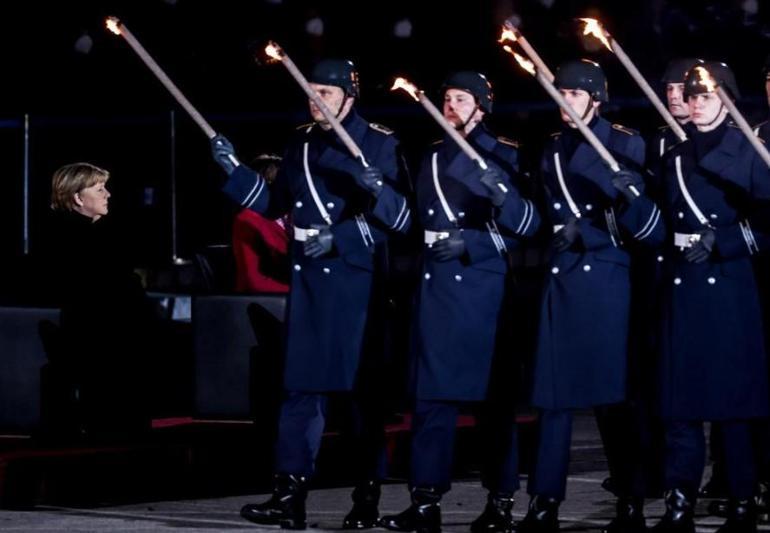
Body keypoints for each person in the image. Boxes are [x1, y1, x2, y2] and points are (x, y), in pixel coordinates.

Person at [210, 58, 411, 530]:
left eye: (327, 92)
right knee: (299, 390)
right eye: (311, 92)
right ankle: (289, 494)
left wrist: (339, 237)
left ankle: (366, 497)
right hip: (308, 282)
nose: (317, 101)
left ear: (349, 95)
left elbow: (398, 221)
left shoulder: (379, 142)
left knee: (360, 397)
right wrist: (236, 171)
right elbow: (274, 204)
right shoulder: (299, 139)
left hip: (356, 284)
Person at [378, 71, 540, 533]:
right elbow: (410, 220)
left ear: (482, 106)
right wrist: (379, 195)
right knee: (431, 402)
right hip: (436, 291)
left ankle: (501, 501)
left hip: (483, 293)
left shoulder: (504, 153)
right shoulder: (429, 155)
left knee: (494, 403)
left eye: (461, 99)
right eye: (446, 98)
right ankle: (425, 501)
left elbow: (526, 227)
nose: (450, 106)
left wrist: (472, 241)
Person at [517, 59, 665, 533]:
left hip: (606, 277)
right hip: (562, 279)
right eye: (560, 93)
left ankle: (630, 500)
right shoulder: (552, 148)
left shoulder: (624, 142)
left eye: (575, 95)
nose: (566, 102)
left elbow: (643, 227)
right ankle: (544, 500)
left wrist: (595, 226)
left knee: (614, 398)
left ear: (595, 99)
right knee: (552, 396)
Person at [651, 61, 770, 533]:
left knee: (731, 404)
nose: (697, 104)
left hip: (729, 285)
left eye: (707, 96)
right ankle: (678, 501)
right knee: (680, 403)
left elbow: (766, 223)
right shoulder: (675, 157)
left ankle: (742, 500)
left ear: (727, 100)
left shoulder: (749, 151)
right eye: (693, 97)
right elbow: (662, 222)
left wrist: (723, 243)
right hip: (684, 283)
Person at [42, 162, 154, 439]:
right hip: (95, 334)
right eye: (100, 189)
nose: (108, 194)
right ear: (78, 198)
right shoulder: (76, 239)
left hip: (105, 328)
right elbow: (106, 289)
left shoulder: (98, 234)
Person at [230, 154, 290, 293]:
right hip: (262, 300)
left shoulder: (293, 216)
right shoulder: (247, 219)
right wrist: (302, 293)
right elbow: (253, 281)